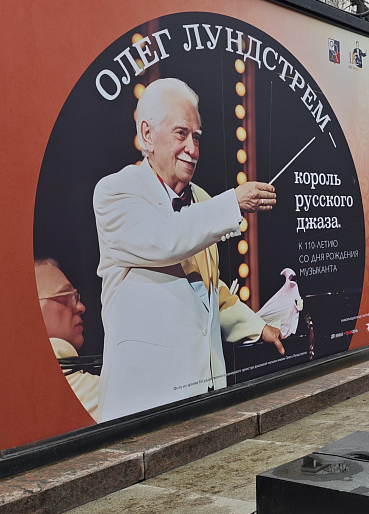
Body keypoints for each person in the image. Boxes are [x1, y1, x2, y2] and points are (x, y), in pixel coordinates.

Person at [93, 78, 284, 422]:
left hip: (205, 399)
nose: (192, 149)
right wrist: (233, 202)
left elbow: (207, 291)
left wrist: (258, 328)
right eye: (181, 134)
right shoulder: (115, 193)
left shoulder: (203, 201)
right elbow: (167, 238)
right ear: (147, 135)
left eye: (196, 137)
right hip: (143, 405)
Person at [35, 258, 99, 420]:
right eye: (66, 296)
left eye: (76, 297)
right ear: (30, 308)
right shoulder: (98, 394)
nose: (80, 307)